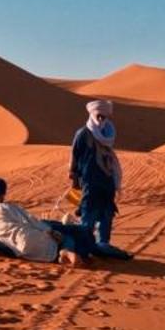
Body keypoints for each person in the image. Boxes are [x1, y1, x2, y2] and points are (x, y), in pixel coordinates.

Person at [0, 176, 100, 265]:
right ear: (2, 195)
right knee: (68, 235)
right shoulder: (6, 207)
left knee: (58, 233)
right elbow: (31, 220)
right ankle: (69, 251)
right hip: (28, 238)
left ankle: (65, 252)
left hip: (19, 249)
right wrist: (51, 231)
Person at [70, 97, 124, 252]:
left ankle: (103, 244)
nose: (101, 119)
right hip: (89, 180)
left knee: (107, 212)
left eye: (104, 116)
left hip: (107, 180)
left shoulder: (108, 132)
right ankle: (84, 243)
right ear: (92, 115)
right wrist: (74, 177)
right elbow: (74, 155)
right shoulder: (83, 133)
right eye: (99, 115)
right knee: (88, 212)